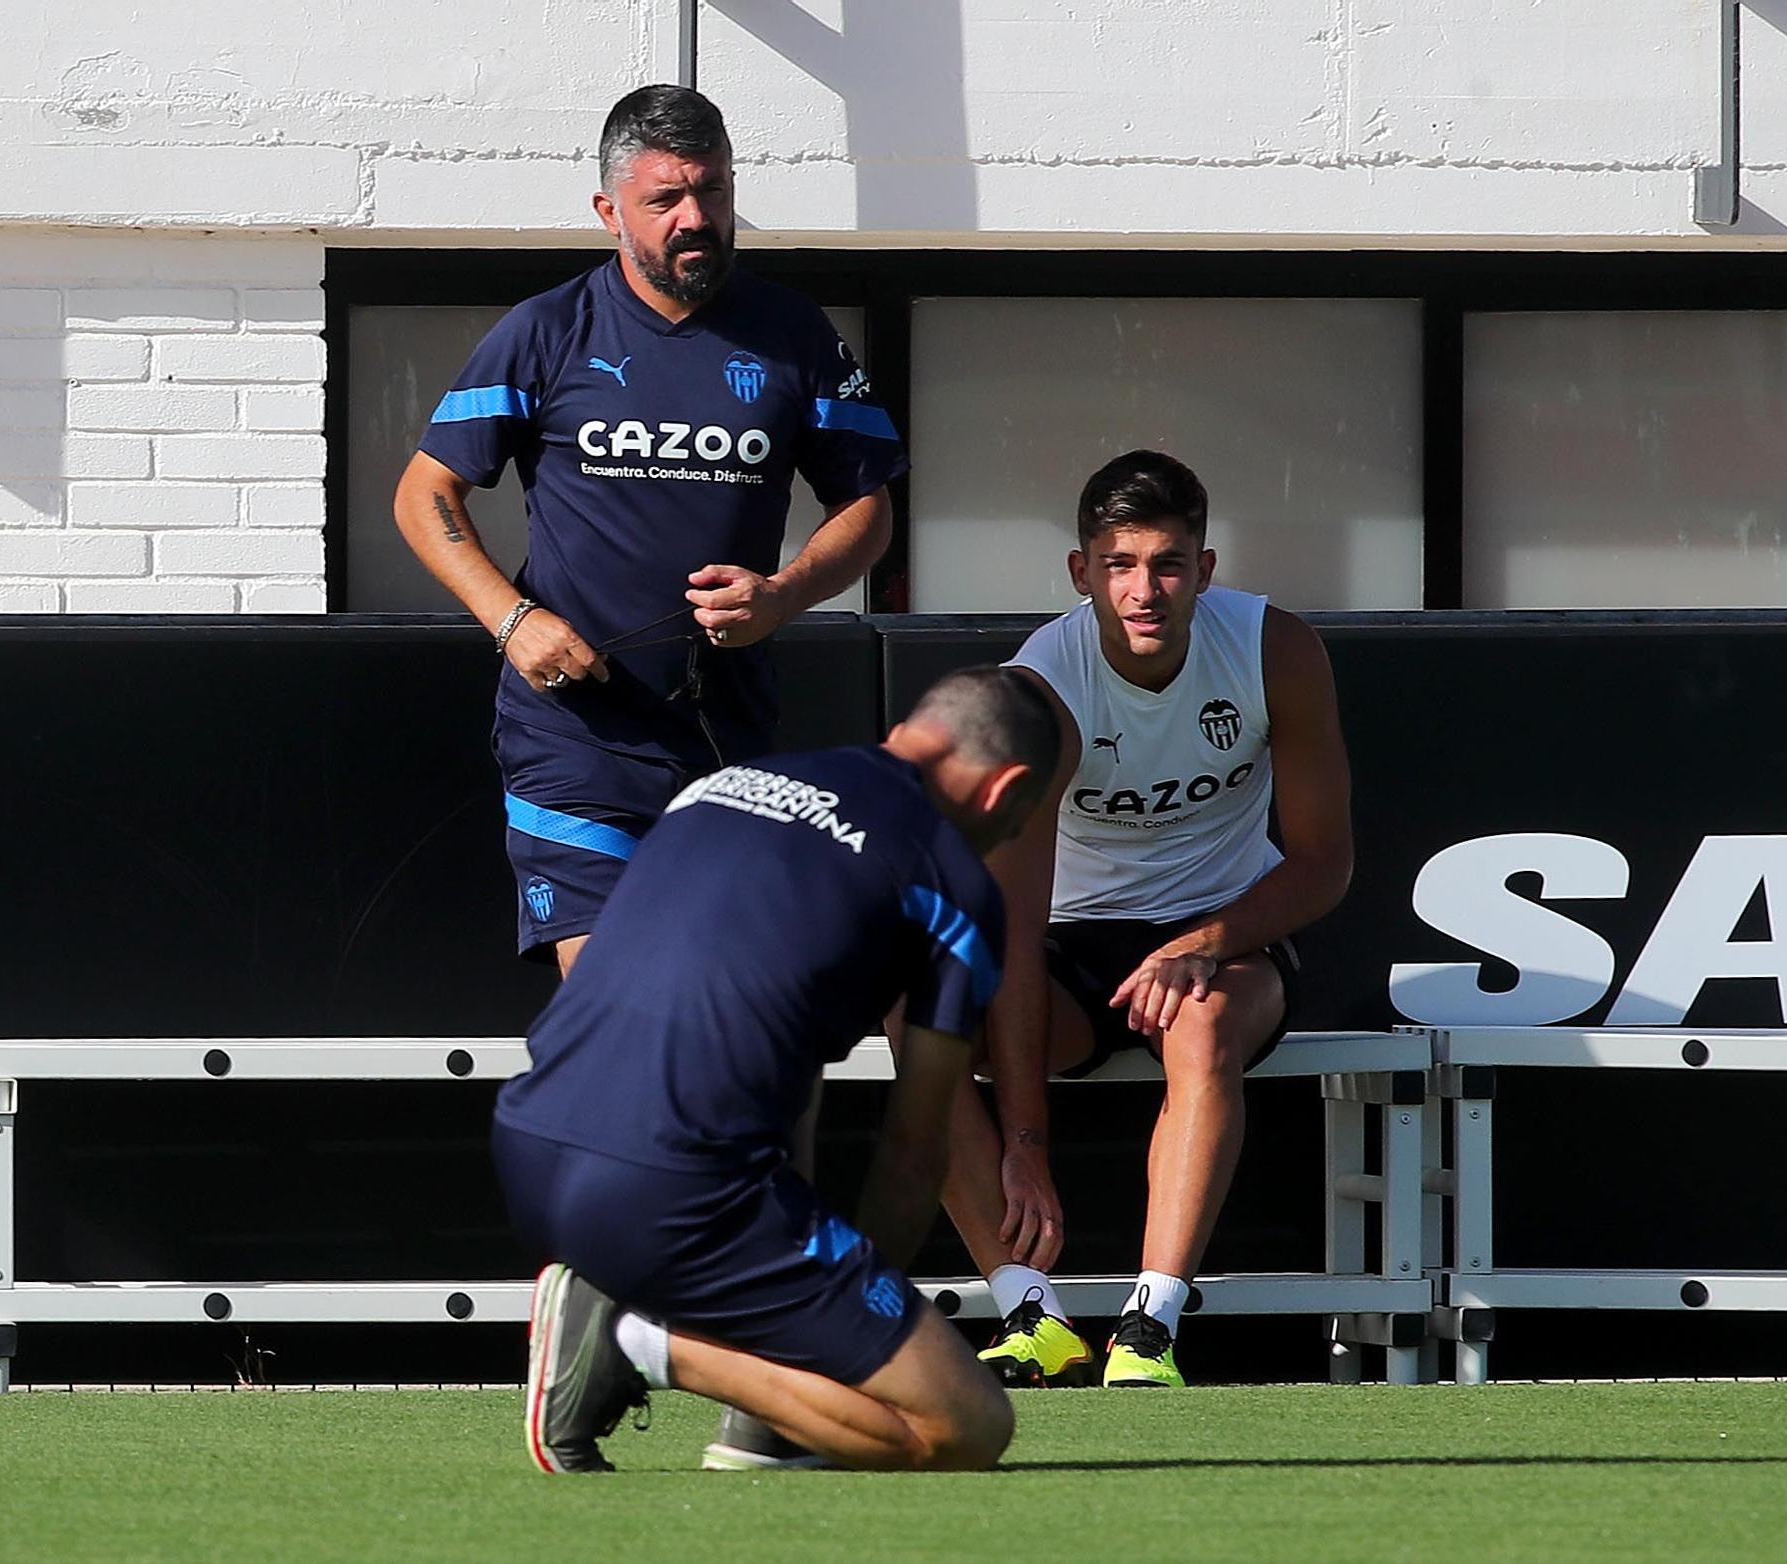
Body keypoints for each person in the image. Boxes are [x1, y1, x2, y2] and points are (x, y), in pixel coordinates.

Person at [490, 667, 1061, 1473]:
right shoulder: (954, 883)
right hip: (677, 1192)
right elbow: (915, 1151)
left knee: (787, 1082)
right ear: (1007, 790)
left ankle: (759, 1419)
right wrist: (842, 1332)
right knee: (966, 1428)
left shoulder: (729, 786)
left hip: (529, 1148)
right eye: (1020, 825)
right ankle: (631, 1344)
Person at [393, 83, 904, 976]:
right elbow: (424, 495)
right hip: (575, 734)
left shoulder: (795, 335)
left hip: (727, 730)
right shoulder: (546, 330)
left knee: (723, 1015)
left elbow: (867, 507)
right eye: (664, 198)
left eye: (712, 191)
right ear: (609, 210)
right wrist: (513, 621)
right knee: (620, 1004)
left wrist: (782, 594)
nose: (694, 217)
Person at [943, 451, 1354, 1390]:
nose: (1145, 590)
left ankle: (1152, 1328)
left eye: (1168, 564)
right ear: (1081, 573)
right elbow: (1010, 930)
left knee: (1202, 1023)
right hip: (1073, 948)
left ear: (1205, 571)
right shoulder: (1038, 691)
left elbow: (1325, 862)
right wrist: (1025, 1146)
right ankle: (1029, 1311)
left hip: (1226, 932)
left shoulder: (1273, 648)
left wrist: (1202, 944)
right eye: (1121, 565)